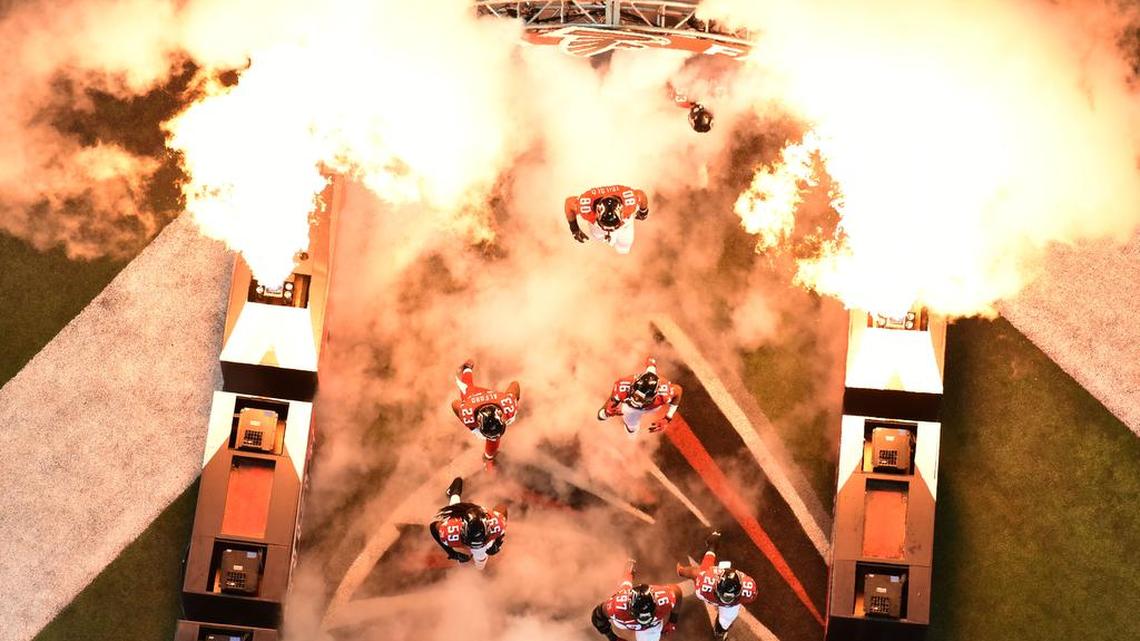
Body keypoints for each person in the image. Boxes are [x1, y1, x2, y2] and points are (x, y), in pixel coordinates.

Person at [676, 532, 759, 639]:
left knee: (724, 623)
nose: (725, 599)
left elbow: (697, 573)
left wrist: (681, 571)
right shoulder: (706, 581)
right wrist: (681, 571)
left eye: (728, 597)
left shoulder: (749, 591)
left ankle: (720, 631)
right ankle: (712, 544)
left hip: (727, 602)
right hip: (714, 583)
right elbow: (694, 572)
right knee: (704, 568)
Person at [451, 360, 520, 469]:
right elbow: (515, 384)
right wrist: (470, 425)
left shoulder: (507, 404)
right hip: (475, 398)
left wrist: (471, 426)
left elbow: (515, 385)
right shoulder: (468, 410)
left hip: (492, 399)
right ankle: (467, 368)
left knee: (466, 390)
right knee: (466, 390)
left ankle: (488, 457)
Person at [428, 477, 508, 570]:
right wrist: (497, 544)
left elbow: (433, 527)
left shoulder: (449, 530)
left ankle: (454, 492)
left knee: (479, 559)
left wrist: (452, 553)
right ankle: (454, 491)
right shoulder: (452, 527)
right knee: (454, 507)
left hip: (474, 524)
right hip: (465, 526)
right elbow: (433, 527)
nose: (475, 546)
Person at [591, 561, 682, 641]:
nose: (644, 621)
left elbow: (677, 591)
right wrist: (613, 638)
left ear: (656, 603)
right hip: (628, 615)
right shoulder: (618, 607)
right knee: (623, 590)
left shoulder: (663, 598)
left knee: (624, 589)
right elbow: (597, 615)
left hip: (648, 627)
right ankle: (627, 575)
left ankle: (627, 575)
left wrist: (672, 621)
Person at [598, 357, 683, 436]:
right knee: (630, 427)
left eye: (641, 398)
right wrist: (608, 410)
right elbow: (650, 361)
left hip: (651, 407)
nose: (636, 400)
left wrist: (668, 418)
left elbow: (678, 391)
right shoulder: (623, 387)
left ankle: (631, 433)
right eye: (635, 395)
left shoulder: (664, 394)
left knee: (609, 414)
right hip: (632, 409)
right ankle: (631, 434)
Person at [564, 185, 649, 254]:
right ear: (597, 212)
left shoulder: (629, 201)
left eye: (615, 227)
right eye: (605, 227)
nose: (611, 230)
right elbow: (569, 203)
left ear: (622, 211)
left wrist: (643, 211)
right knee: (599, 237)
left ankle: (622, 250)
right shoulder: (585, 207)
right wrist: (574, 228)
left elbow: (641, 194)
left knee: (624, 246)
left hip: (622, 224)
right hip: (600, 226)